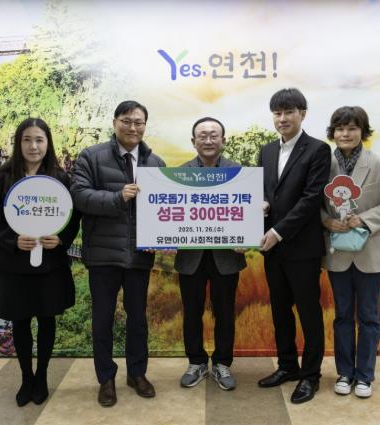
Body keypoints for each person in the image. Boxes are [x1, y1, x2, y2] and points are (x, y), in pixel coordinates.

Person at [0, 118, 81, 407]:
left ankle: (42, 376)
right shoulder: (1, 178)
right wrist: (12, 239)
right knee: (20, 322)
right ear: (18, 143)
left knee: (47, 320)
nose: (33, 146)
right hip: (14, 265)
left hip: (51, 266)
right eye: (27, 140)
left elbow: (74, 217)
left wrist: (61, 239)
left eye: (39, 140)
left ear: (48, 143)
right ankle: (26, 377)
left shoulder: (61, 180)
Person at [70, 100, 166, 407]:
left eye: (139, 122)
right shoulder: (91, 156)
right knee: (102, 319)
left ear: (145, 126)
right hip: (103, 254)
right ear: (115, 123)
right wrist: (117, 197)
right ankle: (106, 378)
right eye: (126, 121)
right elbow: (79, 196)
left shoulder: (156, 163)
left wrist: (168, 236)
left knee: (138, 318)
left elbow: (166, 209)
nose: (132, 127)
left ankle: (137, 374)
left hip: (139, 255)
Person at [321, 106, 380, 398]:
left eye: (352, 128)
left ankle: (365, 376)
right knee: (342, 315)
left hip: (371, 251)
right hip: (338, 252)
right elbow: (312, 202)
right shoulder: (323, 164)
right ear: (333, 132)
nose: (345, 134)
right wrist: (326, 220)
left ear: (363, 131)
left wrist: (364, 220)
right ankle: (344, 373)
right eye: (340, 128)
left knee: (368, 316)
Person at [257, 88, 331, 404]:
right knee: (280, 310)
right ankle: (287, 366)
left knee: (308, 313)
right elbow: (265, 192)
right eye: (277, 113)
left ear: (303, 114)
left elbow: (311, 199)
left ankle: (310, 376)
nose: (282, 118)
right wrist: (261, 205)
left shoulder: (318, 150)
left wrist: (278, 231)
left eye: (289, 112)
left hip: (302, 248)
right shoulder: (266, 151)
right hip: (272, 248)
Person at [174, 117, 247, 391]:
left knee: (225, 313)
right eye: (202, 136)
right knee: (191, 313)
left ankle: (222, 363)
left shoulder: (239, 173)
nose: (208, 140)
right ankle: (196, 362)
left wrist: (248, 236)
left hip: (226, 256)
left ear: (223, 140)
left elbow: (249, 210)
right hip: (190, 257)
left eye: (213, 135)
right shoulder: (179, 174)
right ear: (193, 142)